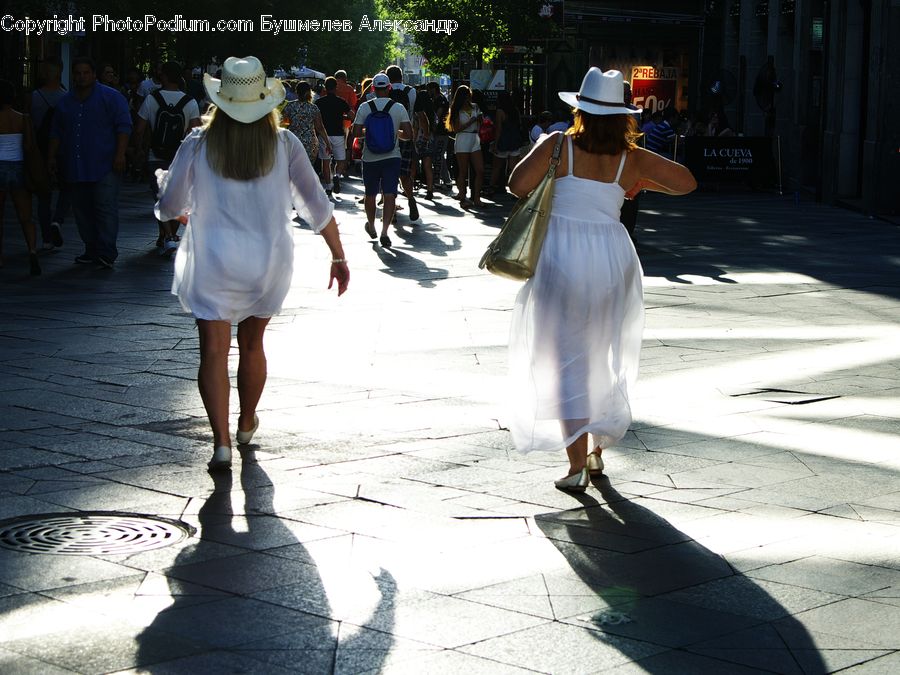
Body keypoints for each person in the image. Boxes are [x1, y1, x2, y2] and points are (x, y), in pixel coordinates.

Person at [154, 56, 349, 471]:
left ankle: (221, 443)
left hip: (212, 260)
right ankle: (246, 422)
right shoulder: (285, 143)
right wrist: (338, 255)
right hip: (267, 261)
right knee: (253, 345)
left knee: (212, 350)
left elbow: (170, 206)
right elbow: (318, 204)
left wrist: (186, 209)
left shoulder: (198, 143)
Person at [506, 68, 696, 491]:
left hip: (561, 256)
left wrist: (555, 176)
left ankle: (575, 466)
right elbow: (686, 182)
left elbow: (516, 184)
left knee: (565, 358)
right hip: (612, 256)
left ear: (580, 110)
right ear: (623, 116)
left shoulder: (559, 145)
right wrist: (642, 182)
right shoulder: (632, 157)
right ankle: (596, 453)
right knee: (602, 353)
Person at [48, 57, 132, 268]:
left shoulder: (111, 97)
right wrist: (51, 157)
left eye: (86, 72)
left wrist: (120, 155)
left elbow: (124, 127)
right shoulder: (66, 102)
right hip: (76, 164)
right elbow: (56, 132)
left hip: (105, 163)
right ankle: (91, 248)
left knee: (105, 208)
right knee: (82, 210)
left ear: (94, 74)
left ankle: (106, 251)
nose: (81, 77)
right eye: (78, 73)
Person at [133, 61, 201, 255]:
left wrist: (139, 150)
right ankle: (168, 235)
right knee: (177, 198)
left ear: (163, 76)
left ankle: (168, 236)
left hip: (156, 156)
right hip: (180, 157)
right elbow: (195, 132)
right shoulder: (190, 102)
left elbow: (139, 129)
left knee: (160, 197)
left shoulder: (151, 99)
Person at [351, 72, 412, 248]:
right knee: (389, 194)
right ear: (389, 88)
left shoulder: (365, 107)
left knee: (370, 194)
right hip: (392, 157)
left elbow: (356, 133)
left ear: (373, 88)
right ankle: (385, 231)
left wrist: (368, 132)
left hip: (370, 157)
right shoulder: (398, 107)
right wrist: (395, 133)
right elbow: (409, 135)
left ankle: (371, 225)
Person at [0, 79, 41, 274]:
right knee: (26, 217)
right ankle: (32, 250)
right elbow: (29, 146)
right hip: (18, 167)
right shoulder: (22, 118)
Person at [29, 60, 69, 250]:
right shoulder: (67, 98)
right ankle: (58, 220)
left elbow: (30, 125)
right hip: (63, 149)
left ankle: (46, 239)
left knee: (43, 195)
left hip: (40, 149)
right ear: (60, 72)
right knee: (67, 188)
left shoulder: (34, 97)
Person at [386, 65, 421, 223]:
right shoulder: (411, 92)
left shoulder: (382, 91)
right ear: (401, 76)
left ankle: (391, 210)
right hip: (406, 136)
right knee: (404, 173)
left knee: (388, 174)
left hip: (387, 137)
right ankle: (411, 198)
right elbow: (415, 113)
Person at [445, 84, 483, 208]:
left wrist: (480, 121)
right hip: (463, 138)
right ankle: (463, 196)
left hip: (474, 138)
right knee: (463, 170)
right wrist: (472, 121)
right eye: (466, 95)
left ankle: (477, 198)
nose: (468, 97)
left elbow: (479, 123)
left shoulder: (475, 106)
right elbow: (456, 129)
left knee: (480, 170)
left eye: (469, 94)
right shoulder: (456, 109)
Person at [315, 77, 351, 196]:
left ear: (325, 87)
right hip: (338, 135)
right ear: (336, 88)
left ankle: (328, 187)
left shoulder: (319, 102)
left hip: (324, 134)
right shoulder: (341, 101)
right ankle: (337, 175)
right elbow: (352, 114)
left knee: (325, 161)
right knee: (340, 160)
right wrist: (344, 117)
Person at [283, 81, 330, 169]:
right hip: (310, 142)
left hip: (293, 140)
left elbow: (283, 123)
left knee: (293, 167)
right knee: (307, 168)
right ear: (309, 92)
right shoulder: (313, 108)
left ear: (297, 92)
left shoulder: (289, 106)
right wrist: (328, 143)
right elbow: (320, 128)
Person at [487, 91, 526, 197]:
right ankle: (515, 189)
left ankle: (491, 187)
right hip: (514, 141)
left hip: (503, 141)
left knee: (497, 166)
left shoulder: (500, 111)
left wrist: (495, 143)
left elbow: (499, 129)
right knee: (513, 167)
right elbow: (519, 125)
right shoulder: (515, 110)